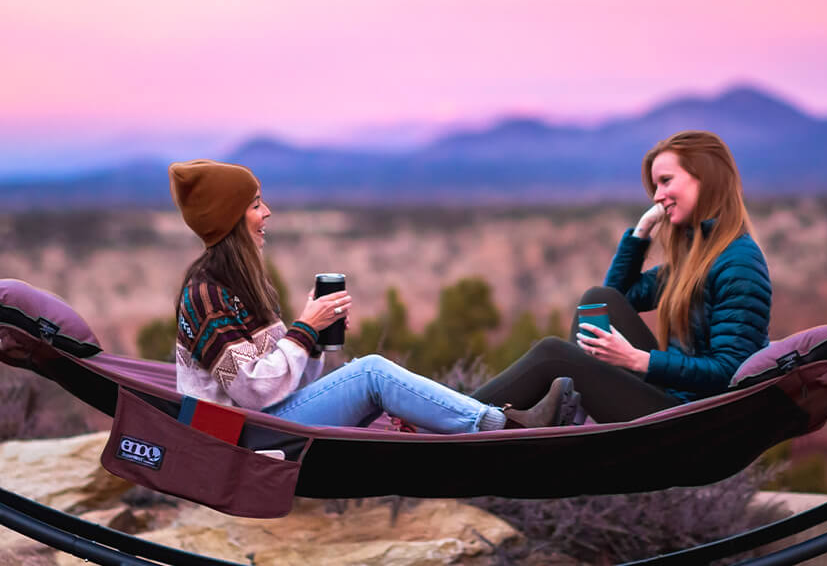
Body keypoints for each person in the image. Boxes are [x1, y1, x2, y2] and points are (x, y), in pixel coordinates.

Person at [169, 160, 580, 432]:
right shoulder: (206, 296)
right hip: (240, 440)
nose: (268, 212)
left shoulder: (241, 285)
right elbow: (256, 393)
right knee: (372, 373)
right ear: (230, 219)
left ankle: (488, 423)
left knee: (371, 375)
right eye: (256, 205)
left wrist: (312, 339)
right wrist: (304, 329)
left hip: (263, 424)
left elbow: (287, 386)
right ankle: (503, 429)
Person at [472, 131, 771, 423]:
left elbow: (730, 371)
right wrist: (641, 232)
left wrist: (637, 359)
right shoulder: (694, 260)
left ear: (706, 179)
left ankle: (456, 419)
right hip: (674, 399)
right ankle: (533, 417)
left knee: (554, 354)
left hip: (692, 421)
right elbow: (615, 300)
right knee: (595, 299)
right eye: (655, 187)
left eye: (666, 181)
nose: (657, 197)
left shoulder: (739, 262)